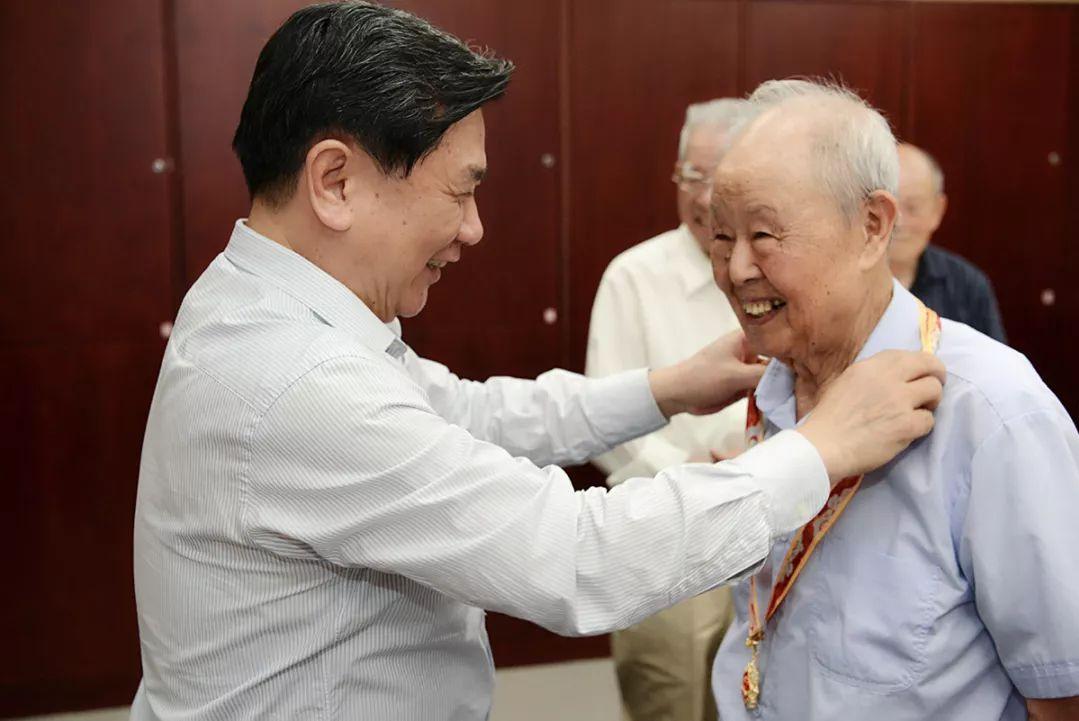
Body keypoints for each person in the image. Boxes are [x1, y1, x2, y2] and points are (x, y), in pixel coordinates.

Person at [130, 5, 946, 720]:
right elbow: (575, 557)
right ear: (335, 181)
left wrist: (667, 388)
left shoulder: (264, 304)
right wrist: (818, 448)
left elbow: (466, 414)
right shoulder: (298, 381)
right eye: (460, 191)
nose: (473, 228)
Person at [708, 78, 1079, 721]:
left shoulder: (992, 414)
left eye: (764, 234)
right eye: (719, 237)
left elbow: (1061, 689)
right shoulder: (771, 384)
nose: (737, 268)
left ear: (872, 226)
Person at [586, 98, 751, 721]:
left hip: (770, 531)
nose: (704, 198)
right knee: (672, 702)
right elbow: (607, 423)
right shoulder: (634, 276)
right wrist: (697, 478)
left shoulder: (781, 270)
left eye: (720, 179)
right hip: (665, 539)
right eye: (691, 177)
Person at [889, 142, 1007, 341]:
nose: (898, 222)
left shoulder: (967, 285)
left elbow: (994, 359)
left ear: (938, 210)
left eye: (912, 207)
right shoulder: (840, 280)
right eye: (889, 206)